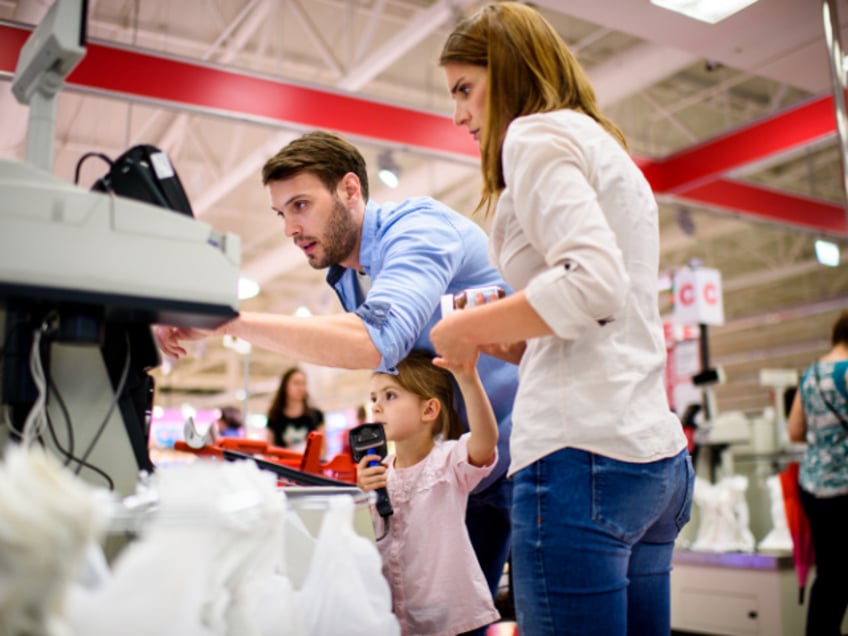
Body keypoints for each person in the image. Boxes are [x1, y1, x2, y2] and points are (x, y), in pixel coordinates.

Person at [154, 130, 518, 601]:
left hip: (512, 462)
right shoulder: (347, 273)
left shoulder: (417, 229)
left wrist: (231, 322)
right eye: (281, 213)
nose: (289, 228)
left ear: (349, 189)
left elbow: (374, 341)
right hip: (452, 475)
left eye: (300, 205)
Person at [431, 4, 694, 635]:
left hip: (583, 460)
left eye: (466, 89)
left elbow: (594, 282)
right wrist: (520, 345)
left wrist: (462, 328)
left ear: (510, 70)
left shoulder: (533, 135)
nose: (458, 113)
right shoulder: (604, 146)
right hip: (652, 459)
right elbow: (607, 306)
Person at [356, 349, 499, 636]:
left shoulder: (447, 462)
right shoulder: (378, 472)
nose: (376, 407)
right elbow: (364, 539)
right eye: (373, 398)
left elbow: (485, 442)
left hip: (452, 621)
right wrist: (361, 496)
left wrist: (467, 378)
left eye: (390, 396)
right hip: (397, 620)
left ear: (429, 410)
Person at [787, 309, 848, 636]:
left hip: (813, 488)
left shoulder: (811, 374)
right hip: (843, 488)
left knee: (829, 574)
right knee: (838, 578)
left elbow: (795, 431)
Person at [265, 367, 325, 455]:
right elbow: (269, 449)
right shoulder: (275, 416)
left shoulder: (316, 415)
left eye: (303, 384)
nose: (301, 388)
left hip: (307, 467)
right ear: (285, 386)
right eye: (296, 383)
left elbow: (322, 450)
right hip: (283, 466)